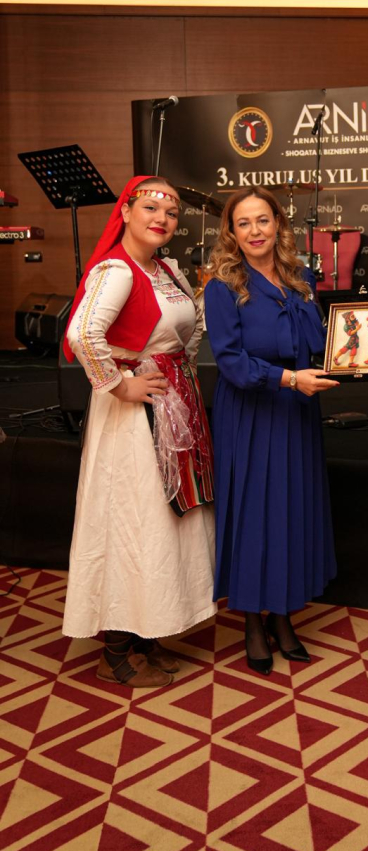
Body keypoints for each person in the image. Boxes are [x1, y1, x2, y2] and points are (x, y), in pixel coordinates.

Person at [63, 176, 216, 688]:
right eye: (150, 207)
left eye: (170, 213)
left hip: (169, 404)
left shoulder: (167, 270)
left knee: (161, 524)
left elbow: (190, 329)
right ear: (126, 212)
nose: (162, 219)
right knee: (132, 522)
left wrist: (180, 371)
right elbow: (83, 334)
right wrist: (121, 385)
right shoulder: (116, 270)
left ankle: (146, 631)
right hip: (132, 417)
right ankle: (115, 653)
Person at [204, 188, 339, 675]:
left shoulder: (301, 278)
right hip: (251, 412)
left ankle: (282, 615)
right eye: (244, 223)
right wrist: (288, 379)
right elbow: (231, 361)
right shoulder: (223, 286)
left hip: (297, 413)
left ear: (278, 224)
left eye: (263, 220)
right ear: (232, 232)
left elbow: (320, 341)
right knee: (253, 514)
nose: (255, 231)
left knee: (289, 511)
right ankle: (252, 622)